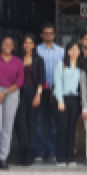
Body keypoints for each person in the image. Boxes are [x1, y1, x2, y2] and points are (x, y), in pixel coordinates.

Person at [0, 36, 24, 169]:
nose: (8, 45)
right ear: (1, 45)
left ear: (13, 47)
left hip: (11, 93)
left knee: (7, 127)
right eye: (5, 43)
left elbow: (19, 81)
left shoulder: (18, 61)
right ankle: (0, 149)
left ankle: (3, 157)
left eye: (10, 43)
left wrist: (5, 93)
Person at [14, 35, 46, 166]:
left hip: (33, 92)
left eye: (30, 43)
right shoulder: (18, 59)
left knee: (32, 124)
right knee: (21, 124)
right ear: (23, 45)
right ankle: (22, 152)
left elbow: (41, 79)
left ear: (34, 45)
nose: (28, 45)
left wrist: (38, 95)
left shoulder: (38, 60)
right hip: (19, 92)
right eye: (25, 42)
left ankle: (31, 154)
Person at [36, 23, 64, 162]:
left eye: (50, 33)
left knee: (54, 123)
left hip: (56, 91)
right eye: (45, 33)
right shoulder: (36, 50)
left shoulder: (61, 51)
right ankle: (40, 152)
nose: (48, 35)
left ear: (54, 35)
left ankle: (52, 151)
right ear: (41, 35)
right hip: (41, 91)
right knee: (40, 122)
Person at [55, 42, 83, 167]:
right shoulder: (61, 65)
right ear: (67, 51)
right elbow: (57, 84)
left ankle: (70, 157)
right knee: (62, 129)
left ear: (79, 52)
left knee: (72, 129)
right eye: (71, 49)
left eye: (76, 49)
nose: (74, 52)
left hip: (75, 100)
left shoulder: (81, 67)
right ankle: (60, 157)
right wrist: (60, 100)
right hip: (64, 99)